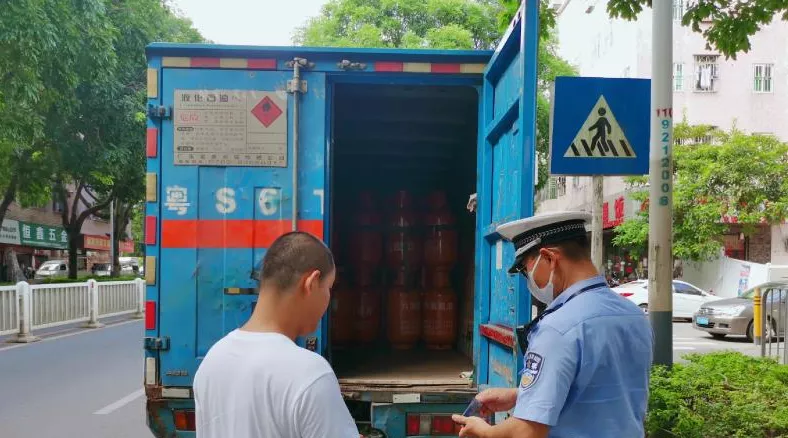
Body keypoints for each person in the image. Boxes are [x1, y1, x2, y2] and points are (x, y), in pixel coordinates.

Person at [452, 211, 653, 438]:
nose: (528, 281)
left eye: (525, 270)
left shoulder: (557, 328)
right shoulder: (634, 315)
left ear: (548, 258)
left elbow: (526, 432)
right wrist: (521, 395)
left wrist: (486, 432)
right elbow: (599, 389)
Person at [193, 231, 361, 438]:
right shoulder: (310, 374)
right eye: (328, 288)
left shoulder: (212, 361)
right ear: (311, 283)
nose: (329, 299)